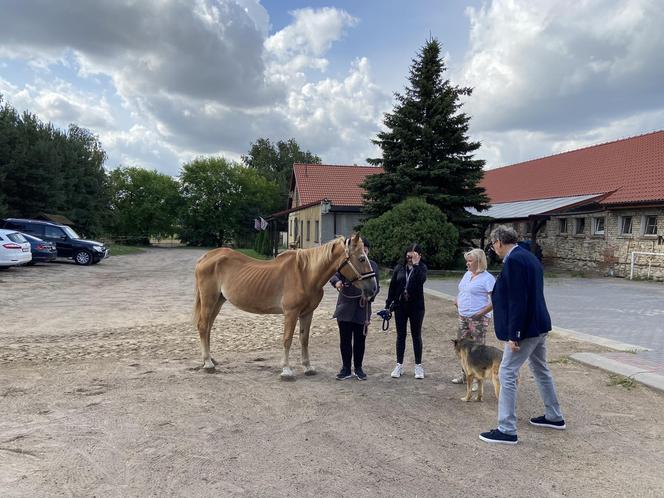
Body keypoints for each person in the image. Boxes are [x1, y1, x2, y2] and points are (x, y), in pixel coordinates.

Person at [479, 225, 565, 445]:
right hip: (539, 324)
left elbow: (518, 300)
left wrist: (514, 334)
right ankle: (554, 416)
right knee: (540, 369)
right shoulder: (528, 256)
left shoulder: (515, 261)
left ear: (498, 242)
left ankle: (506, 429)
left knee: (507, 372)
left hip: (525, 328)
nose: (493, 249)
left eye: (493, 244)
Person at [329, 238, 380, 380]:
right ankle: (346, 368)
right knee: (344, 340)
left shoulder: (373, 266)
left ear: (368, 250)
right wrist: (337, 282)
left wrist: (370, 296)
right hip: (345, 307)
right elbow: (334, 274)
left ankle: (358, 368)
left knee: (360, 341)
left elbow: (376, 287)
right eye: (362, 249)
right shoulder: (349, 262)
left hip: (362, 310)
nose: (364, 251)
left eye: (366, 249)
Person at [452, 248, 496, 390]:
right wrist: (457, 301)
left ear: (479, 261)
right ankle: (465, 375)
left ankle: (478, 380)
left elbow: (495, 300)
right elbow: (462, 291)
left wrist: (481, 313)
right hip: (463, 317)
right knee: (462, 348)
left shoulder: (488, 278)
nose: (467, 264)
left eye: (470, 261)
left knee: (477, 350)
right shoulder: (467, 275)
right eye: (467, 261)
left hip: (478, 319)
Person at [386, 243, 428, 379]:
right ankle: (399, 364)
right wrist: (388, 305)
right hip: (400, 306)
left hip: (416, 307)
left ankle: (418, 366)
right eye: (409, 253)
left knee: (416, 336)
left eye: (414, 254)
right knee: (400, 336)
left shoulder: (421, 268)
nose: (410, 256)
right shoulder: (399, 268)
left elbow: (420, 280)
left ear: (419, 256)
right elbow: (392, 287)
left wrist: (416, 265)